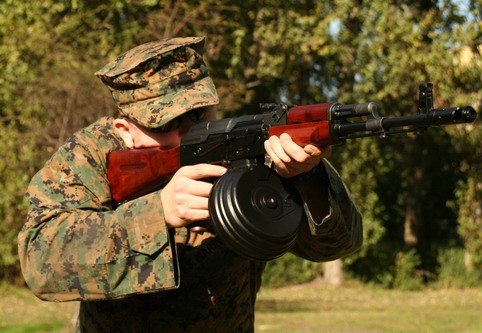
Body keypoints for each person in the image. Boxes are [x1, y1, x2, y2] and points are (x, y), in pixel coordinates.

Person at [18, 36, 363, 332]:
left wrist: (306, 178)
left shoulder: (245, 145)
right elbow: (40, 260)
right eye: (167, 123)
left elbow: (337, 246)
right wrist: (158, 212)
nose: (187, 134)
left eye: (199, 115)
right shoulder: (89, 156)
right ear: (125, 130)